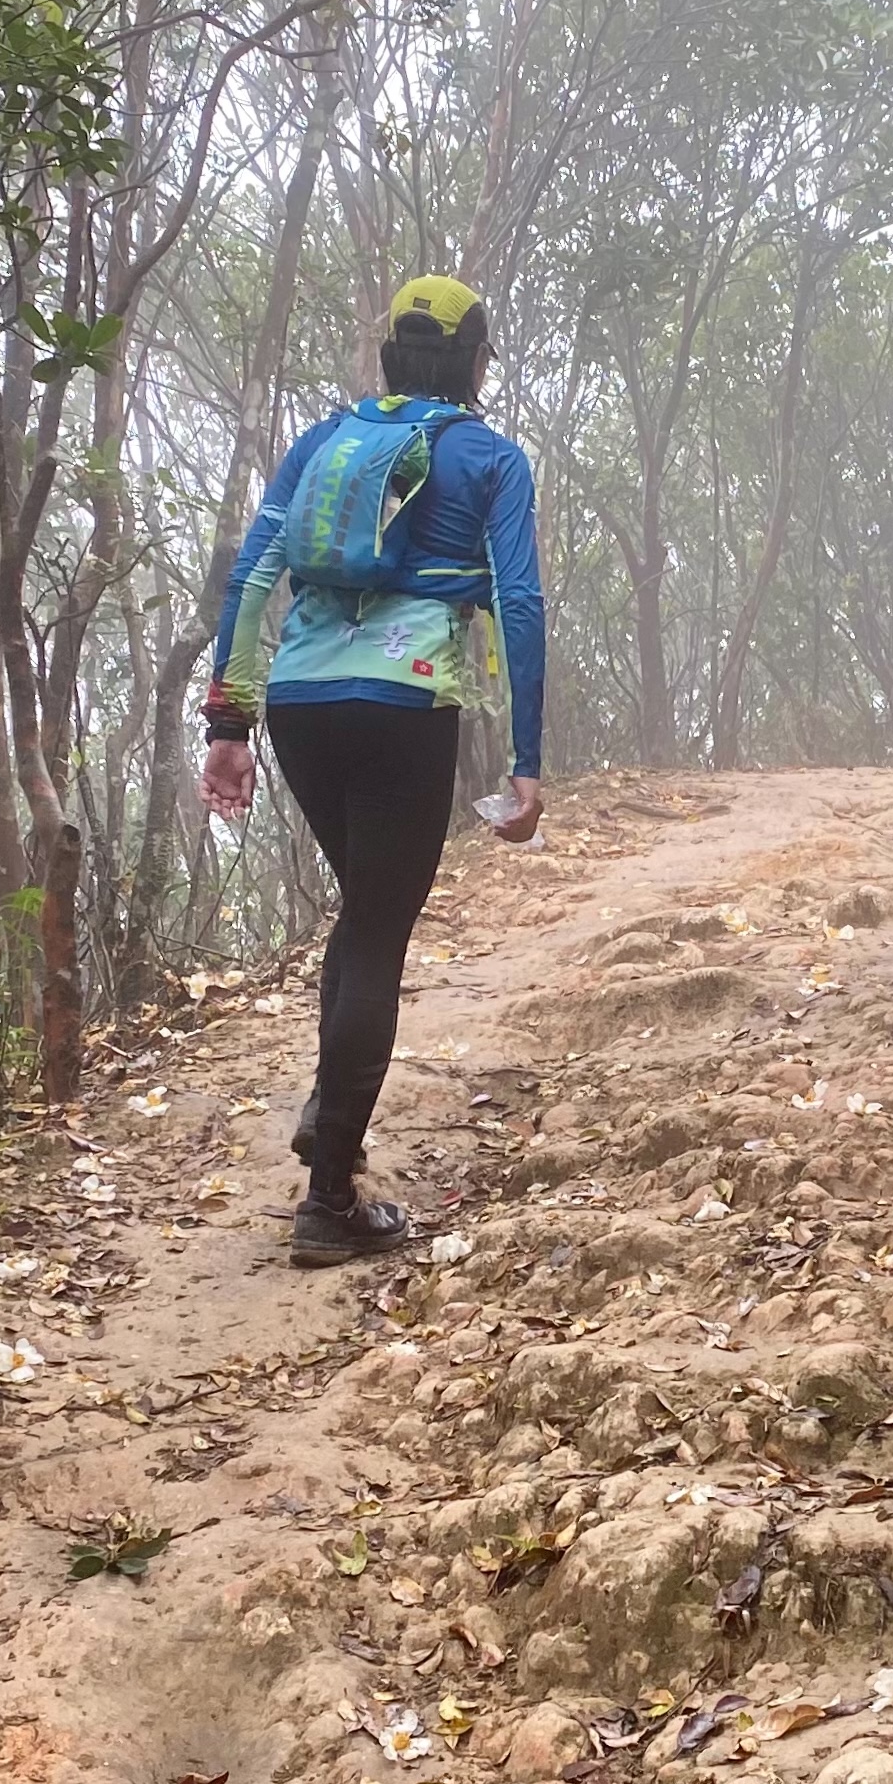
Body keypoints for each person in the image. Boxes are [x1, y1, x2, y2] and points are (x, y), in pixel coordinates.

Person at [201, 276, 547, 1265]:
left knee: (362, 910)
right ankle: (327, 1200)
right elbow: (517, 602)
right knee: (380, 929)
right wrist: (526, 759)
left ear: (389, 357)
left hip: (304, 706)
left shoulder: (322, 442)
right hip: (402, 704)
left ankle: (326, 1105)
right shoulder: (488, 457)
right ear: (476, 363)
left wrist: (229, 719)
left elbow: (254, 572)